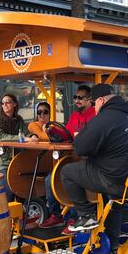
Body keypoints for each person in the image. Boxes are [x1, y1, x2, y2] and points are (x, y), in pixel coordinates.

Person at [62, 84, 128, 254]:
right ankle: (113, 250)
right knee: (115, 202)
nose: (94, 107)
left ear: (101, 100)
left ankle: (86, 215)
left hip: (114, 179)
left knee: (66, 171)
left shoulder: (104, 118)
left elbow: (80, 148)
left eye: (94, 103)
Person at [39, 85, 95, 233]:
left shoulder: (95, 115)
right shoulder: (74, 116)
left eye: (80, 98)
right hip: (72, 159)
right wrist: (52, 129)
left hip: (89, 161)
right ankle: (56, 215)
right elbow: (67, 134)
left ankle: (75, 218)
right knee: (49, 180)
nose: (76, 100)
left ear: (90, 100)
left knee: (75, 181)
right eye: (75, 97)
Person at [0, 93, 35, 200]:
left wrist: (33, 136)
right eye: (2, 103)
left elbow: (26, 134)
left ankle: (21, 212)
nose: (5, 105)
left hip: (15, 162)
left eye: (7, 102)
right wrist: (22, 138)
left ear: (14, 104)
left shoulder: (19, 120)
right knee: (10, 187)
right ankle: (7, 214)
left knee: (26, 186)